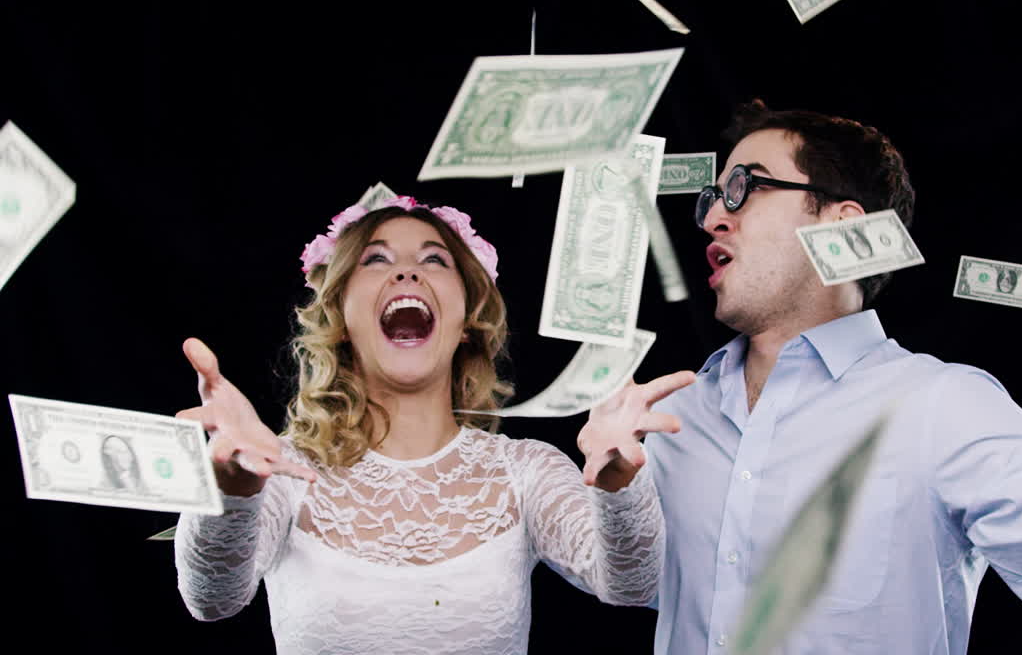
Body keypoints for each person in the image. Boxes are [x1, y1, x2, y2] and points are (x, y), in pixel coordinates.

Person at [578, 100, 1022, 654]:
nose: (713, 216)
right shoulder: (671, 417)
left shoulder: (945, 409)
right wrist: (611, 492)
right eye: (710, 197)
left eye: (744, 189)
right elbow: (632, 587)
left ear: (844, 227)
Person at [174, 195, 687, 655]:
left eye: (433, 259)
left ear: (466, 322)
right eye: (376, 259)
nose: (406, 273)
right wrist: (232, 488)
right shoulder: (282, 471)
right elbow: (212, 599)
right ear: (342, 316)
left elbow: (630, 585)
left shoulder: (524, 471)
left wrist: (619, 482)